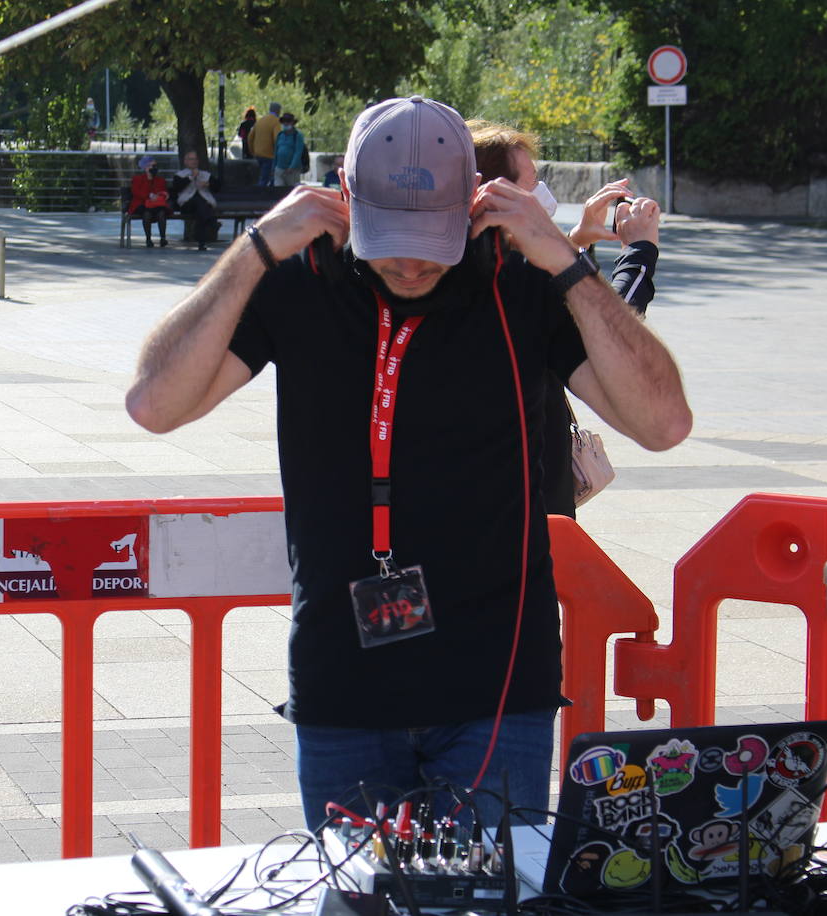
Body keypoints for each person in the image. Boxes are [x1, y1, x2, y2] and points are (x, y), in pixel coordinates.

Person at [125, 96, 691, 833]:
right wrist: (257, 247)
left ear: (476, 204)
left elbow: (663, 422)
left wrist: (563, 256)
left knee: (493, 900)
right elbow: (154, 405)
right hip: (345, 687)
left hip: (496, 689)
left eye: (434, 235)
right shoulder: (303, 281)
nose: (413, 260)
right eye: (390, 234)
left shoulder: (518, 283)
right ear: (345, 199)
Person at [470, 119, 661, 518]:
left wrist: (576, 242)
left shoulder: (453, 271)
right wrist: (640, 251)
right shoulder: (516, 286)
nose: (542, 193)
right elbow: (609, 336)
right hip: (531, 517)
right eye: (532, 183)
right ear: (489, 192)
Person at [172, 150, 219, 251]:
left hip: (203, 204)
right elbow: (177, 188)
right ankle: (211, 223)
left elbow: (217, 187)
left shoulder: (205, 175)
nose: (194, 161)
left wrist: (208, 184)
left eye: (195, 159)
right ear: (185, 161)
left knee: (202, 208)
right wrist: (191, 177)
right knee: (202, 206)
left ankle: (201, 241)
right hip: (187, 204)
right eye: (191, 159)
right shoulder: (179, 175)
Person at [128, 155, 170, 248]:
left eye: (155, 165)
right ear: (145, 167)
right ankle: (148, 239)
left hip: (156, 205)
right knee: (146, 214)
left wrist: (162, 195)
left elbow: (163, 191)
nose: (154, 168)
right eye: (152, 165)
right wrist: (149, 195)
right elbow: (136, 192)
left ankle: (163, 238)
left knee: (161, 213)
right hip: (142, 204)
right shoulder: (137, 179)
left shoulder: (160, 180)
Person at [249, 102, 282, 187]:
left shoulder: (261, 120)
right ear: (278, 111)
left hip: (258, 153)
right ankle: (261, 195)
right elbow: (277, 138)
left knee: (263, 176)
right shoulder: (276, 122)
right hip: (269, 154)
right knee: (267, 178)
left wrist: (252, 150)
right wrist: (278, 152)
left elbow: (250, 137)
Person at [272, 113, 307, 187]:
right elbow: (276, 152)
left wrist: (292, 167)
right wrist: (273, 167)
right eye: (284, 121)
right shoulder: (280, 135)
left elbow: (298, 152)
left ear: (292, 123)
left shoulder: (297, 135)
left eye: (288, 121)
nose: (285, 123)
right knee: (278, 191)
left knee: (291, 191)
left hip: (292, 171)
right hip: (279, 168)